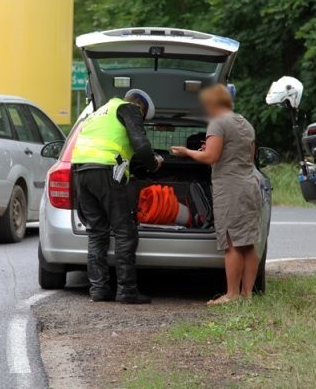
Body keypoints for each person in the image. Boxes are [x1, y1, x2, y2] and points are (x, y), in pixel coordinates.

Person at [171, 84, 261, 304]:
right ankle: (246, 295)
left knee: (231, 242)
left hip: (229, 188)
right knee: (247, 243)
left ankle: (231, 295)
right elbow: (248, 157)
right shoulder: (245, 123)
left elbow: (211, 157)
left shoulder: (218, 123)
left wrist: (187, 152)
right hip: (249, 185)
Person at [71, 89, 161, 304]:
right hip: (106, 171)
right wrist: (153, 163)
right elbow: (140, 144)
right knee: (124, 232)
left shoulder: (98, 113)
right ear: (141, 108)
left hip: (81, 171)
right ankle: (127, 291)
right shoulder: (129, 109)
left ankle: (99, 289)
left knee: (96, 232)